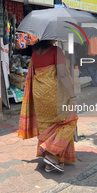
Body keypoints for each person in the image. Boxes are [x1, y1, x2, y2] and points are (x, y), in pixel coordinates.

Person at [18, 40, 78, 173]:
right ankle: (51, 153)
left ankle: (49, 163)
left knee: (46, 127)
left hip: (39, 94)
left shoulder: (34, 53)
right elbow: (62, 75)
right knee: (69, 121)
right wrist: (73, 97)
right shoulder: (56, 51)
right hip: (54, 94)